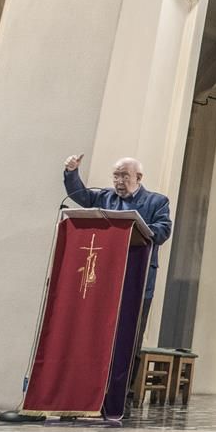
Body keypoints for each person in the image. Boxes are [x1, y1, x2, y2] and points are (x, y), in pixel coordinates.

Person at [63, 155, 173, 395]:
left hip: (137, 281)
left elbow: (162, 231)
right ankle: (91, 386)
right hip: (103, 278)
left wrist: (133, 227)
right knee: (97, 332)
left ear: (138, 178)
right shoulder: (104, 197)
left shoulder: (157, 202)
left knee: (129, 337)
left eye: (125, 176)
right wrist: (72, 173)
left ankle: (122, 391)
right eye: (116, 175)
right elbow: (80, 196)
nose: (119, 181)